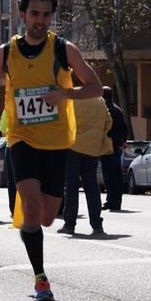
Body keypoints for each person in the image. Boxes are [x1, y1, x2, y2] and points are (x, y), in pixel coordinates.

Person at [0, 0, 103, 301]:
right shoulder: (6, 52)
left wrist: (65, 94)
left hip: (57, 141)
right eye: (34, 13)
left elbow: (95, 87)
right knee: (30, 206)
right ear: (23, 15)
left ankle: (36, 244)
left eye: (46, 15)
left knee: (46, 217)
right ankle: (40, 278)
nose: (40, 20)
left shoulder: (64, 49)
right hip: (22, 138)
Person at [58, 96, 112, 235]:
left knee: (71, 186)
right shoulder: (100, 100)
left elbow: (63, 120)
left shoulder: (71, 98)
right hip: (92, 148)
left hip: (73, 146)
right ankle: (96, 225)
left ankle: (69, 224)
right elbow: (108, 121)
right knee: (92, 186)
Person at [100, 86, 127, 211]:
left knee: (109, 175)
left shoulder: (104, 110)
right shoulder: (118, 110)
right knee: (116, 175)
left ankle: (111, 200)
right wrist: (121, 142)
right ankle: (116, 201)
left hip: (107, 146)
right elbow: (124, 129)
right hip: (116, 146)